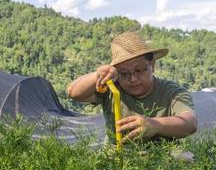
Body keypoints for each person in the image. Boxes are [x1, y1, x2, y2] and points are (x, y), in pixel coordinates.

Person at [67, 31, 196, 144]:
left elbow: (190, 123)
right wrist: (98, 76)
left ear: (152, 65)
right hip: (119, 157)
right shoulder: (111, 89)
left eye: (139, 70)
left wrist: (155, 125)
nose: (133, 79)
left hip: (163, 159)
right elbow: (74, 92)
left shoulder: (171, 92)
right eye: (124, 73)